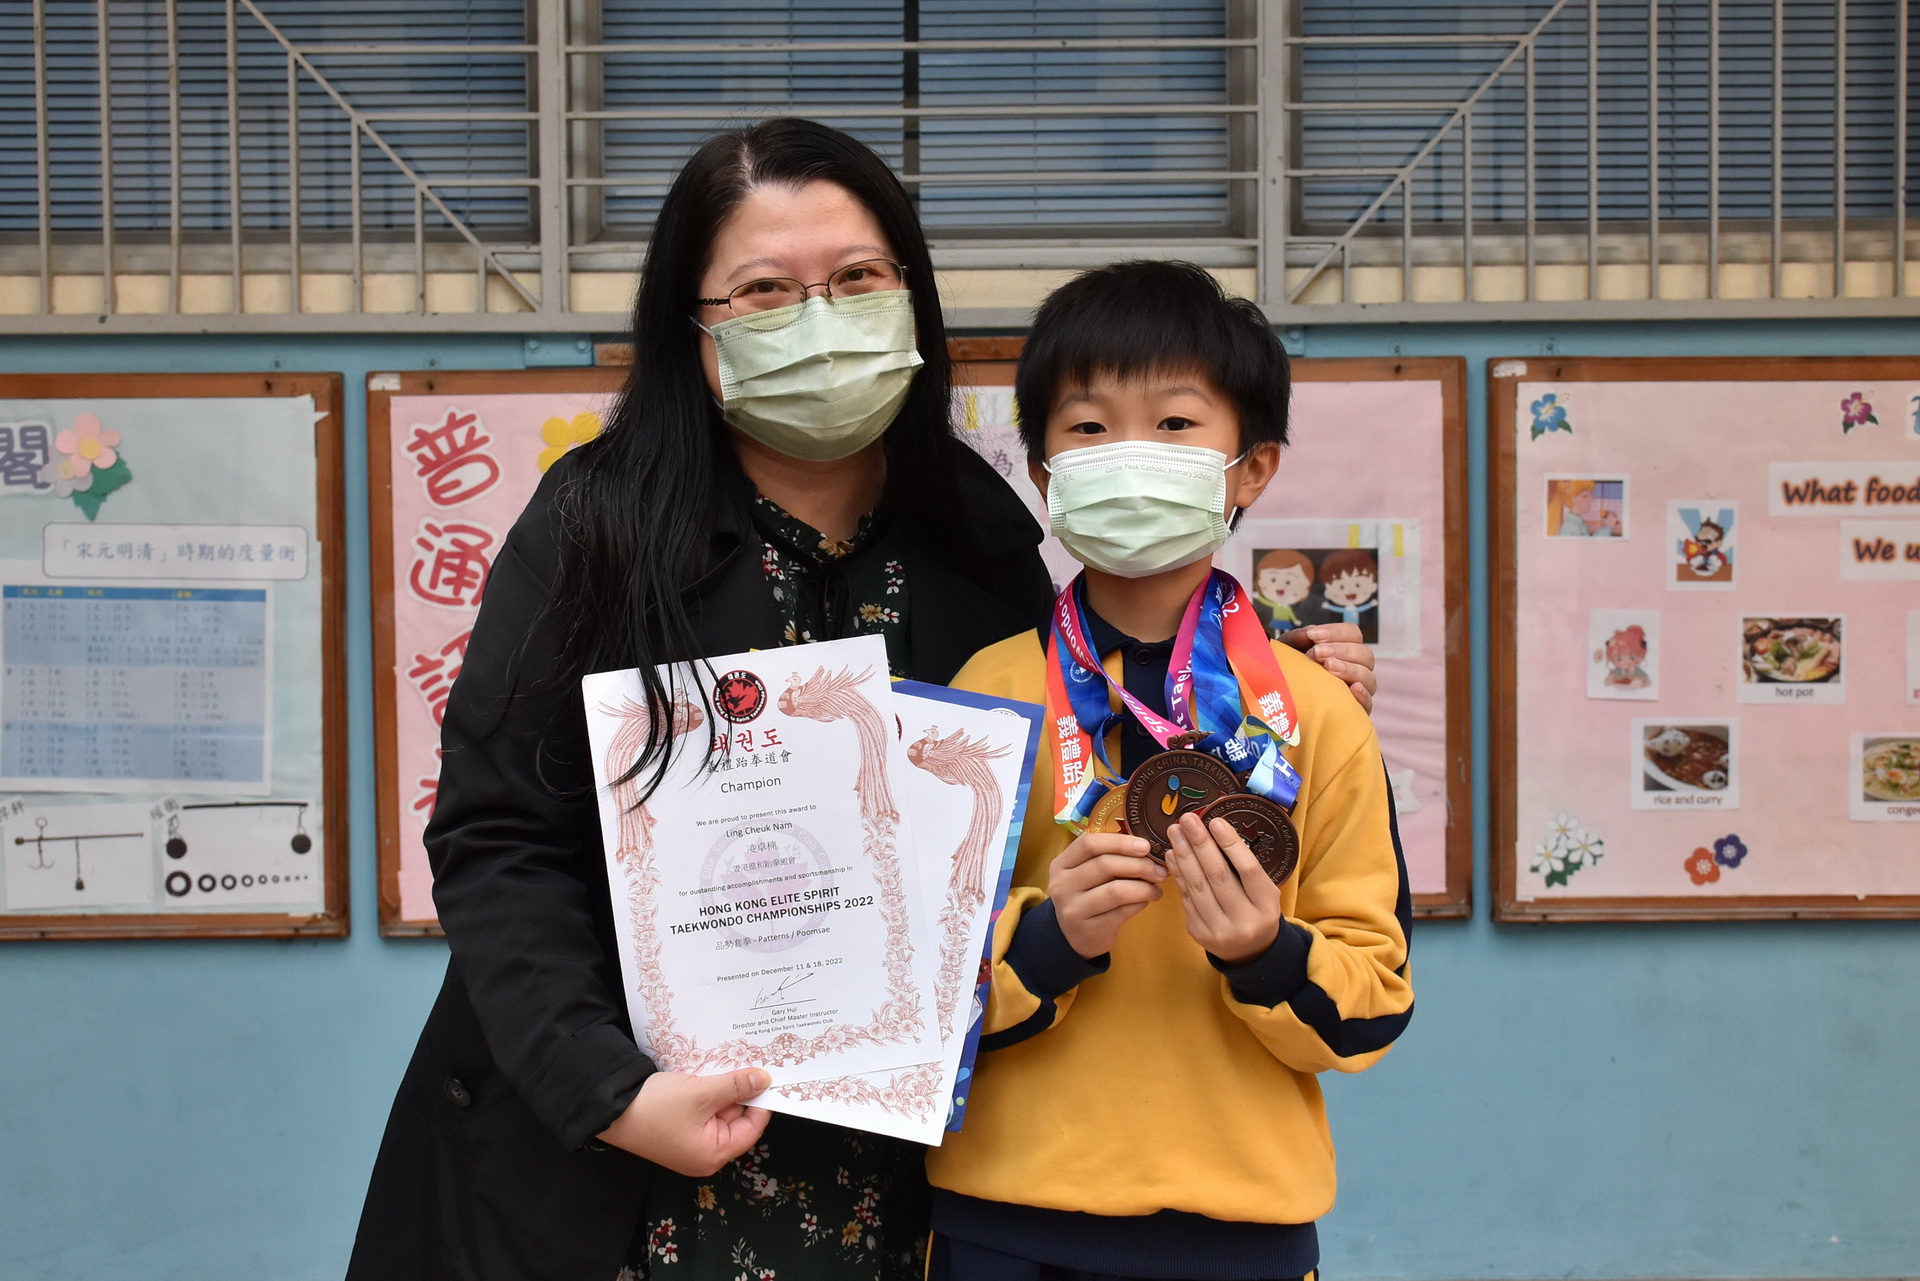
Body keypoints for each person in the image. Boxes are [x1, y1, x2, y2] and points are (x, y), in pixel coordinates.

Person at [346, 123, 1380, 1281]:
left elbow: (1076, 725)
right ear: (693, 326)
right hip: (620, 1161)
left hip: (897, 1173)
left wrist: (1268, 679)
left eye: (855, 278)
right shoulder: (598, 525)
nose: (818, 317)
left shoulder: (975, 530)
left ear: (909, 296)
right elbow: (498, 837)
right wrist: (609, 1090)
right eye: (763, 290)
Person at [926, 261, 1414, 1281]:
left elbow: (1375, 1000)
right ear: (1043, 470)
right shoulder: (987, 688)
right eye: (1089, 426)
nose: (1129, 453)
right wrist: (1047, 942)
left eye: (1176, 423)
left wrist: (1266, 952)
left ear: (1253, 467)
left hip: (1242, 1226)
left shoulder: (1316, 710)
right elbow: (909, 981)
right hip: (1003, 1219)